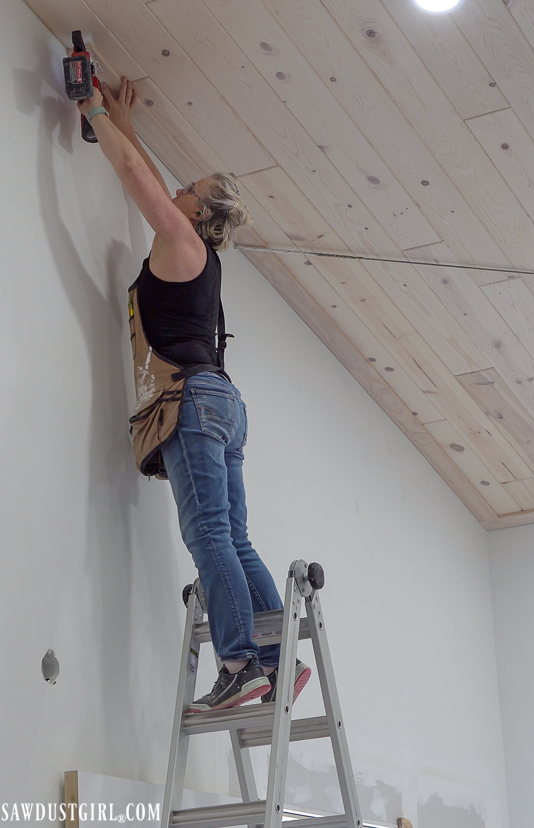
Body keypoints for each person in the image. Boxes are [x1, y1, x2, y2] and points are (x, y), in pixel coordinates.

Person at [77, 79, 310, 711]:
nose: (176, 189)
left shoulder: (180, 240)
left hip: (194, 403)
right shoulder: (194, 249)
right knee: (232, 537)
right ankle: (278, 660)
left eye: (190, 189)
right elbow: (152, 184)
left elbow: (135, 178)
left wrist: (96, 111)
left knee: (209, 535)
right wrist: (124, 122)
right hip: (220, 404)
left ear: (197, 214)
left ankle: (241, 664)